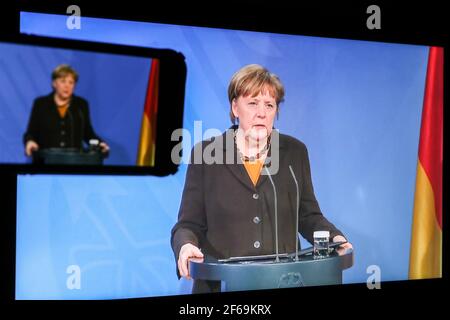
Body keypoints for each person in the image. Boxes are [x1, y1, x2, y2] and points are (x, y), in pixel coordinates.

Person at [171, 64, 353, 293]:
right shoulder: (207, 154)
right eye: (253, 103)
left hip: (283, 281)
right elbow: (188, 224)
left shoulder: (294, 151)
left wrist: (335, 237)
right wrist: (186, 246)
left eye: (269, 105)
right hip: (222, 285)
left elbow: (308, 216)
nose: (262, 112)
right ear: (235, 107)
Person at [23, 64, 110, 158]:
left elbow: (88, 133)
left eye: (71, 82)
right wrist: (30, 142)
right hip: (46, 161)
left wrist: (100, 144)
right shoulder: (41, 104)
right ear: (54, 83)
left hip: (74, 161)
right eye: (63, 81)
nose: (67, 86)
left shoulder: (81, 105)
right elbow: (30, 133)